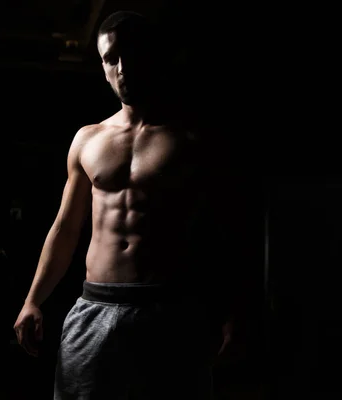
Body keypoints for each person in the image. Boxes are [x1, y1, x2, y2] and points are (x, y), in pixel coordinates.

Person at [13, 11, 236, 399]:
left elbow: (225, 231)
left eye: (131, 53)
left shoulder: (192, 138)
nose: (123, 67)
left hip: (170, 311)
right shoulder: (88, 139)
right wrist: (34, 299)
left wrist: (233, 310)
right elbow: (65, 229)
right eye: (110, 58)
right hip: (95, 306)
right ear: (101, 65)